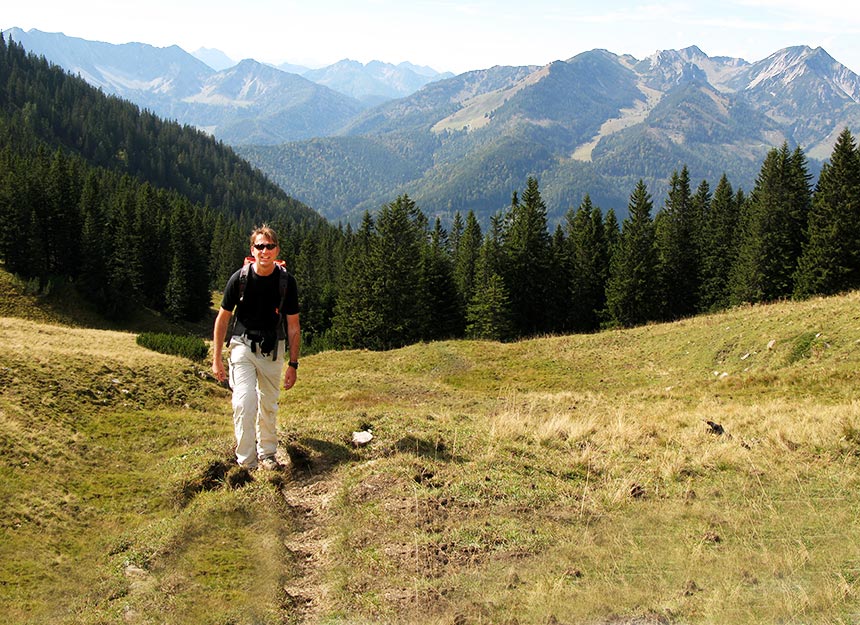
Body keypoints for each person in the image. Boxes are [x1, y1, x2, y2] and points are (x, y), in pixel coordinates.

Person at [212, 225, 300, 470]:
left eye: (269, 246)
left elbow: (293, 326)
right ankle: (246, 462)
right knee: (244, 401)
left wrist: (293, 364)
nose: (265, 251)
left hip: (273, 349)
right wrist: (216, 358)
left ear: (276, 250)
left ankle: (268, 454)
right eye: (260, 246)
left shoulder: (286, 283)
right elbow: (223, 319)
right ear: (253, 250)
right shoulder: (240, 279)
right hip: (242, 346)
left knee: (269, 404)